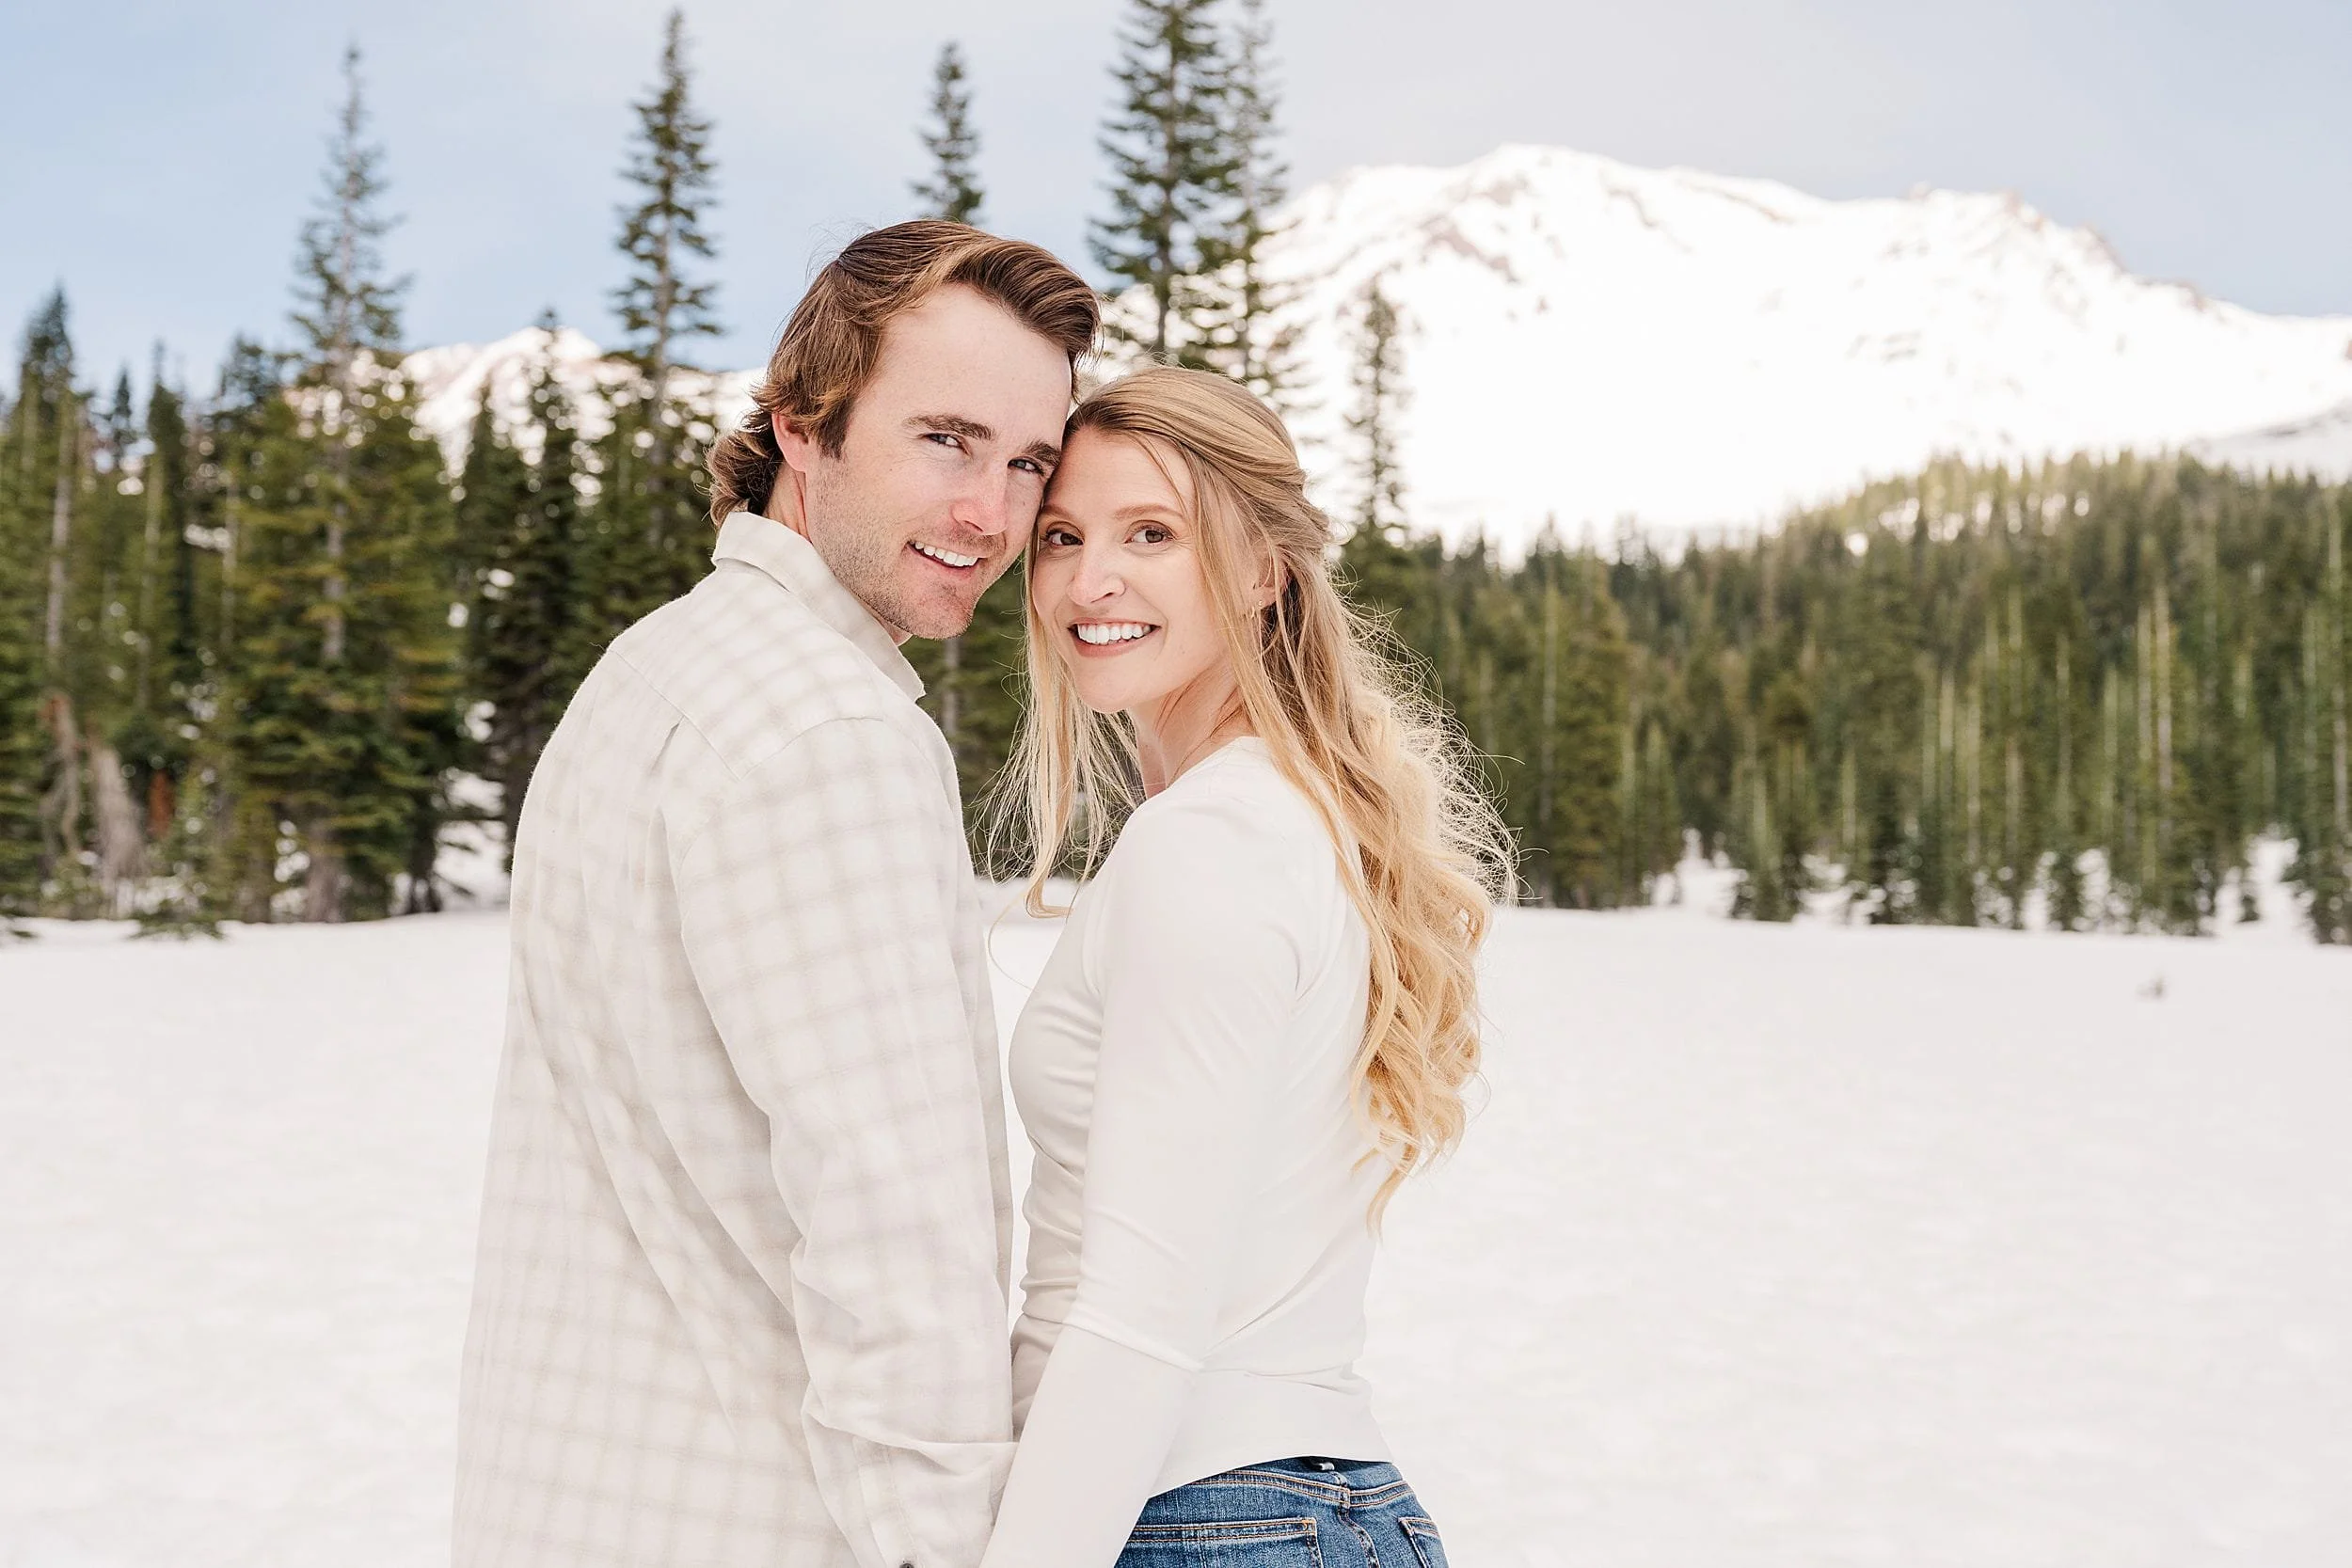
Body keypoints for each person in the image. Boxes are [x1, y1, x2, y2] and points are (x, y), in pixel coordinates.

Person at [453, 222, 1098, 1568]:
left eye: (1028, 461)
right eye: (945, 440)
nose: (992, 513)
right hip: (759, 1513)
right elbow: (894, 1229)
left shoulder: (655, 667)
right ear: (803, 425)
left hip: (569, 1497)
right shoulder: (828, 728)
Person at [979, 367, 1510, 1568]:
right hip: (1299, 1503)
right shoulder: (1295, 819)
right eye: (1061, 536)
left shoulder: (1211, 841)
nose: (1089, 580)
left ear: (1265, 568)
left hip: (1202, 1512)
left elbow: (1141, 1312)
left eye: (1150, 534)